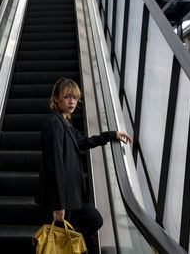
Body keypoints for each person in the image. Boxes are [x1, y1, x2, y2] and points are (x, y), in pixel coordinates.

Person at [35, 77, 132, 252]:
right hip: (62, 197)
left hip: (74, 195)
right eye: (67, 97)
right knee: (58, 243)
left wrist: (111, 135)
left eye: (75, 97)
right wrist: (58, 204)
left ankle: (77, 247)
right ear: (56, 98)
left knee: (94, 221)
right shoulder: (54, 124)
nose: (72, 101)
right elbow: (54, 164)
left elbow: (83, 142)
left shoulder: (66, 124)